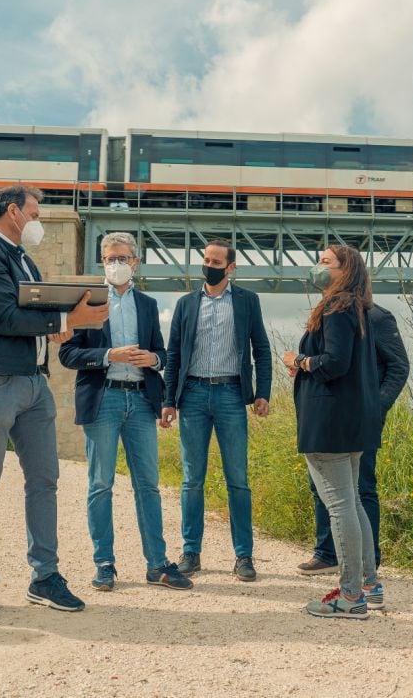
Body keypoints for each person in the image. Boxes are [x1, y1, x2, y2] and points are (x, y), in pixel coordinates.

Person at [0, 183, 108, 620]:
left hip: (34, 382)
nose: (38, 222)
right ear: (14, 212)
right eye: (35, 214)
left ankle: (44, 576)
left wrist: (58, 327)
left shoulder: (24, 260)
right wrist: (65, 318)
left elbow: (31, 318)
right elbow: (1, 315)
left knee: (45, 481)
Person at [59, 232, 193, 592]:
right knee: (100, 484)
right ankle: (104, 564)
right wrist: (107, 356)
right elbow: (67, 354)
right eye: (109, 259)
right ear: (102, 262)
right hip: (103, 400)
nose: (116, 264)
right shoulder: (86, 301)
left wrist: (154, 360)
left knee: (147, 485)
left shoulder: (148, 305)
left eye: (122, 258)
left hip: (140, 401)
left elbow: (163, 354)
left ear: (135, 262)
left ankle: (157, 565)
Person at [161, 239, 272, 581]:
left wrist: (262, 393)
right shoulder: (185, 304)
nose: (209, 265)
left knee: (237, 479)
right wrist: (168, 400)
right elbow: (174, 355)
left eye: (216, 260)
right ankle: (190, 552)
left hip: (230, 395)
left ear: (231, 267)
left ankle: (243, 556)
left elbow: (262, 350)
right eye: (206, 259)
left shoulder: (247, 302)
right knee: (192, 479)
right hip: (192, 394)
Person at [283, 245, 381, 619]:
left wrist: (300, 361)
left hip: (329, 423)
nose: (318, 267)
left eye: (326, 262)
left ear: (346, 271)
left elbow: (336, 362)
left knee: (340, 507)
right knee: (352, 503)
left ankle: (351, 596)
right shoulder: (358, 309)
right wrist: (311, 365)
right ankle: (368, 585)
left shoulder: (337, 308)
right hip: (350, 420)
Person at [297, 303, 409, 578]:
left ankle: (364, 567)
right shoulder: (331, 312)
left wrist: (375, 407)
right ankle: (328, 553)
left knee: (360, 492)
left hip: (358, 420)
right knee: (325, 490)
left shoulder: (377, 317)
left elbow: (398, 367)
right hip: (331, 418)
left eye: (327, 262)